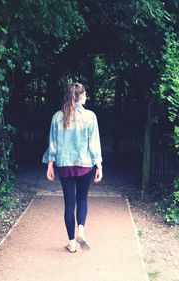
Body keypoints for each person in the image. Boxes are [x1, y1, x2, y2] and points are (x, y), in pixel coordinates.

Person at [42, 82, 103, 253]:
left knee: (69, 203)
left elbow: (52, 143)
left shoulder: (57, 117)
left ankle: (71, 244)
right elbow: (94, 143)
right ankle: (81, 230)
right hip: (84, 165)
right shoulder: (90, 116)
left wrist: (50, 164)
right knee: (82, 199)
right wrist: (98, 164)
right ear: (82, 97)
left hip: (64, 166)